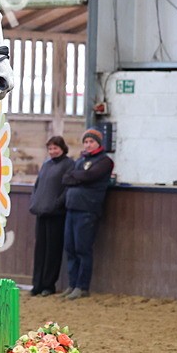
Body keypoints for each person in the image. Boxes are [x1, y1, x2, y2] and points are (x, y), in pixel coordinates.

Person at [62, 128, 114, 300]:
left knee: (82, 249)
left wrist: (77, 177)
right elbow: (66, 178)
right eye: (85, 142)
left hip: (87, 209)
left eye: (91, 141)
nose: (88, 145)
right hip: (72, 208)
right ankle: (72, 284)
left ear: (98, 143)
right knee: (70, 248)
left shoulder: (105, 161)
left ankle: (82, 286)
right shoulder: (80, 160)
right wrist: (80, 177)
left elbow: (90, 176)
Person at [29, 135, 74, 296]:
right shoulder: (46, 165)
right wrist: (35, 200)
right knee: (40, 249)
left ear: (62, 148)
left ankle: (49, 284)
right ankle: (37, 284)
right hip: (42, 211)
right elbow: (37, 185)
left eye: (55, 148)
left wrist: (57, 204)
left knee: (52, 250)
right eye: (50, 148)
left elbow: (67, 188)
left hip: (56, 213)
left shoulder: (68, 164)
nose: (52, 151)